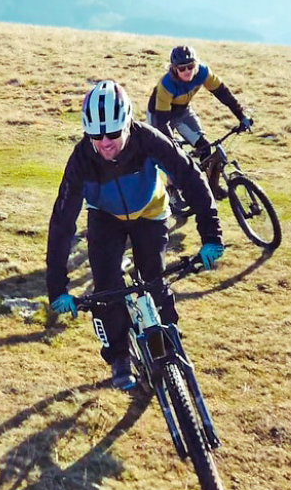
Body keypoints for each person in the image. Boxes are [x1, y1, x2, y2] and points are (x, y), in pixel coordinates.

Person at [47, 80, 224, 390]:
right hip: (105, 218)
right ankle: (119, 356)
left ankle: (168, 336)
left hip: (150, 212)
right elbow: (62, 224)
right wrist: (57, 288)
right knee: (107, 287)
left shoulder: (148, 139)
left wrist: (211, 235)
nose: (105, 143)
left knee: (154, 279)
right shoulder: (80, 161)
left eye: (113, 134)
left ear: (127, 123)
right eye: (95, 136)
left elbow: (190, 177)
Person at [147, 45, 253, 199]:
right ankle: (172, 189)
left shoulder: (203, 73)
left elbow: (223, 94)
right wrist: (171, 143)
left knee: (205, 148)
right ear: (174, 68)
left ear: (196, 64)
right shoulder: (166, 84)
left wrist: (241, 116)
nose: (187, 71)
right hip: (159, 114)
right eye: (182, 68)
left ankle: (212, 189)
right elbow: (163, 121)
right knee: (171, 154)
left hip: (182, 111)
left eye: (190, 66)